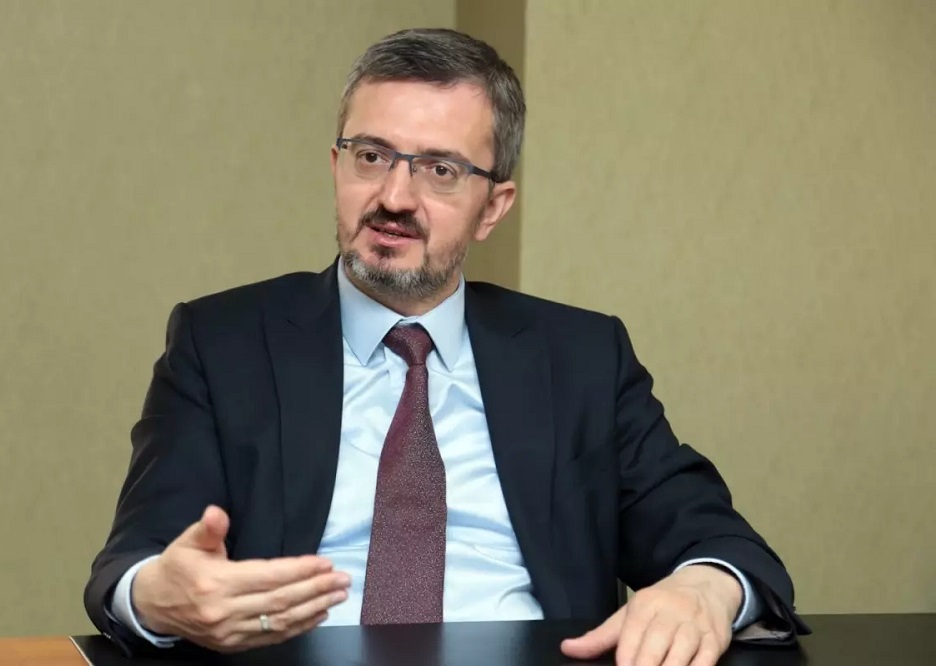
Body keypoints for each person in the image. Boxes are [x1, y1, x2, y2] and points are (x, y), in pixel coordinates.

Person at [84, 27, 808, 666]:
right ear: (335, 167)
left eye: (440, 170)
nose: (395, 197)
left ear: (493, 207)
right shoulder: (223, 343)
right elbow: (132, 566)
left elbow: (719, 542)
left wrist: (704, 588)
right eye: (372, 156)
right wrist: (156, 597)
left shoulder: (582, 357)